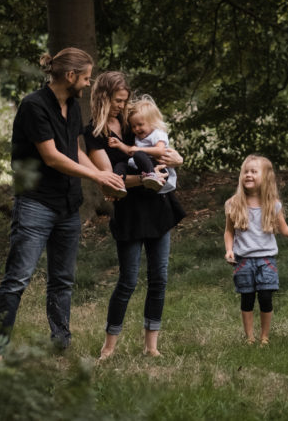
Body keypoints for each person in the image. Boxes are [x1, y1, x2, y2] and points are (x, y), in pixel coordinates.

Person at [0, 48, 126, 352]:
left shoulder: (73, 107)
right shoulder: (33, 106)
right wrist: (98, 177)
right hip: (35, 203)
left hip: (68, 205)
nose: (89, 83)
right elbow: (52, 157)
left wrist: (103, 176)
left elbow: (73, 150)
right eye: (86, 78)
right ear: (70, 75)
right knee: (17, 279)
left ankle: (60, 345)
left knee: (62, 280)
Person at [84, 71, 186, 360]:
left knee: (159, 278)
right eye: (117, 101)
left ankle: (151, 346)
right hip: (129, 210)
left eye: (124, 100)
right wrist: (144, 179)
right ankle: (108, 346)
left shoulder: (134, 121)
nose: (121, 106)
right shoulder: (94, 134)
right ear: (103, 98)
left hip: (158, 207)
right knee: (128, 280)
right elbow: (109, 180)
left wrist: (177, 158)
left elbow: (162, 146)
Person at [223, 154, 288, 346]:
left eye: (254, 171)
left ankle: (264, 337)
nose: (248, 175)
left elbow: (285, 230)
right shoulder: (233, 203)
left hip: (266, 260)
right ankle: (250, 338)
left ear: (266, 177)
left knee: (266, 298)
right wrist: (229, 250)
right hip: (243, 260)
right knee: (247, 298)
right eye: (246, 171)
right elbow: (229, 231)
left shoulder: (272, 205)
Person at [108, 95, 176, 193]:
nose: (136, 129)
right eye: (133, 126)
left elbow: (160, 150)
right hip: (141, 169)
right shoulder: (138, 138)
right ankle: (117, 185)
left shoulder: (157, 134)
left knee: (138, 154)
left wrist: (139, 150)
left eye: (140, 124)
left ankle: (153, 176)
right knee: (121, 165)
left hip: (157, 168)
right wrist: (119, 145)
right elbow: (131, 151)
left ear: (152, 122)